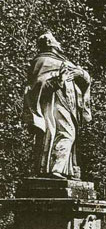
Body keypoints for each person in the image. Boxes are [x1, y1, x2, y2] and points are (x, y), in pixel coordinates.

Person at [22, 32, 93, 179]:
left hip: (70, 106)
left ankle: (66, 170)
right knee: (65, 134)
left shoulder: (64, 62)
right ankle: (55, 169)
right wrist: (58, 81)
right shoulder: (42, 61)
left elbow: (85, 80)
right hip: (54, 104)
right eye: (56, 42)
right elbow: (36, 87)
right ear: (50, 43)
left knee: (68, 135)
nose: (59, 45)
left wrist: (81, 74)